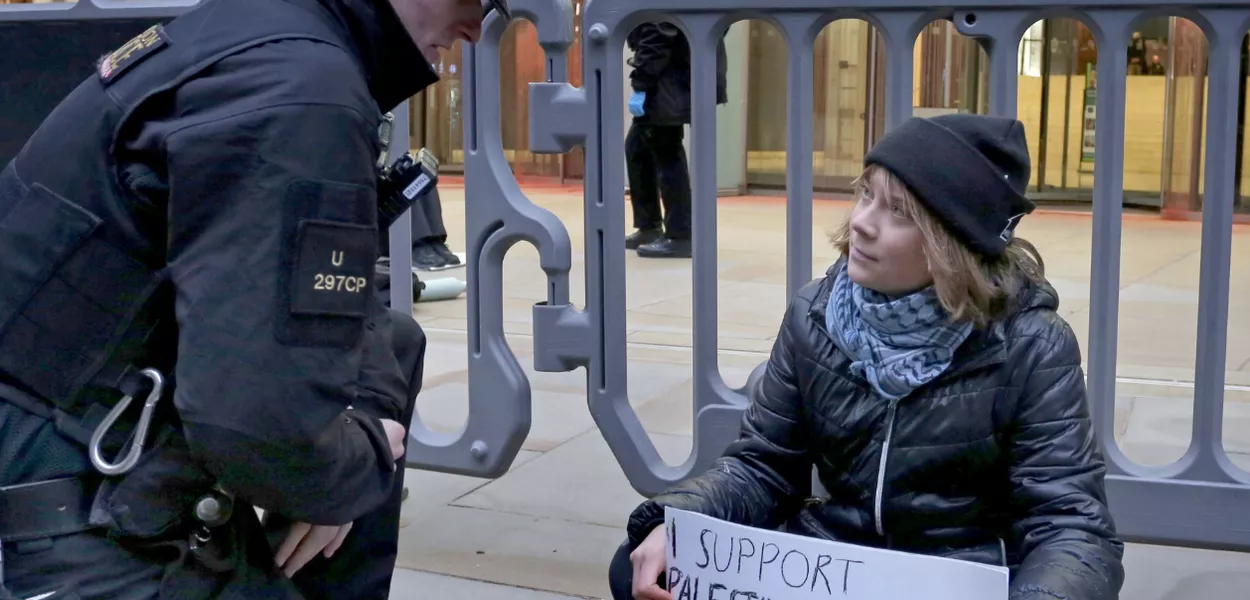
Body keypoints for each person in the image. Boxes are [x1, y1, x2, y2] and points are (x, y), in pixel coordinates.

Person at [0, 0, 509, 599]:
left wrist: (345, 447)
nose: (476, 27)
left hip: (83, 465)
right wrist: (347, 466)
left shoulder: (268, 40)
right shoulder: (300, 90)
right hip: (81, 518)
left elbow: (331, 294)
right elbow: (257, 421)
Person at [608, 114, 1126, 600]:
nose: (861, 222)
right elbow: (762, 467)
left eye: (898, 212)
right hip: (831, 568)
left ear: (953, 242)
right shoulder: (817, 313)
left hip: (956, 576)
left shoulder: (1031, 345)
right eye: (866, 195)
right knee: (644, 560)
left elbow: (1069, 526)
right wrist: (675, 522)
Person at [623, 22, 727, 259]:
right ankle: (649, 226)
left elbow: (657, 35)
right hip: (676, 76)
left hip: (669, 80)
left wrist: (641, 83)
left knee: (666, 151)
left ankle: (680, 235)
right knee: (638, 147)